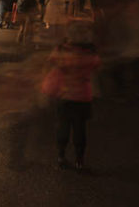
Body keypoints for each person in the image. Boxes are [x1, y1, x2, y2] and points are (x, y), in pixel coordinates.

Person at [44, 22, 101, 171]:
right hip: (83, 97)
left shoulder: (62, 50)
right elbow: (96, 65)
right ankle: (79, 160)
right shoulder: (90, 53)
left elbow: (51, 61)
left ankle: (61, 156)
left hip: (64, 95)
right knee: (80, 129)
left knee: (63, 126)